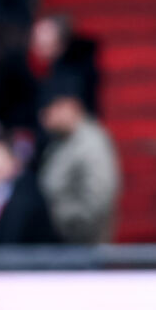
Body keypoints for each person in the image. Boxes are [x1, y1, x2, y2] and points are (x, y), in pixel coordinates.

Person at [36, 75, 121, 244]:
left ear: (70, 105)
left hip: (82, 248)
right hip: (65, 247)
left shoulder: (90, 144)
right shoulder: (60, 142)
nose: (44, 117)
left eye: (50, 108)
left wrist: (51, 219)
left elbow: (97, 204)